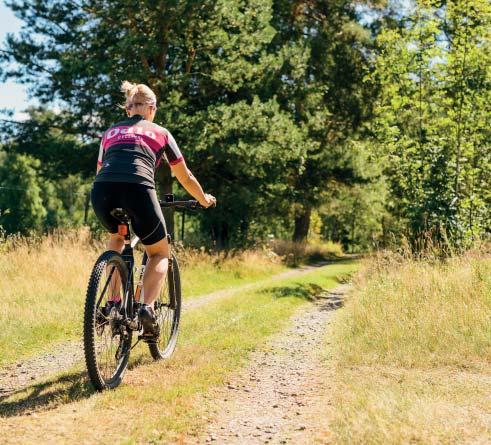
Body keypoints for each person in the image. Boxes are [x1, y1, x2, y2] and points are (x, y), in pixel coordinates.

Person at [91, 81, 216, 336]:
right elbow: (185, 176)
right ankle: (146, 309)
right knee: (159, 253)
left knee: (116, 237)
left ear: (128, 109)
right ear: (151, 108)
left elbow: (100, 170)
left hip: (102, 190)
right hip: (139, 190)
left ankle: (113, 303)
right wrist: (203, 199)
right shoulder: (161, 132)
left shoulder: (109, 133)